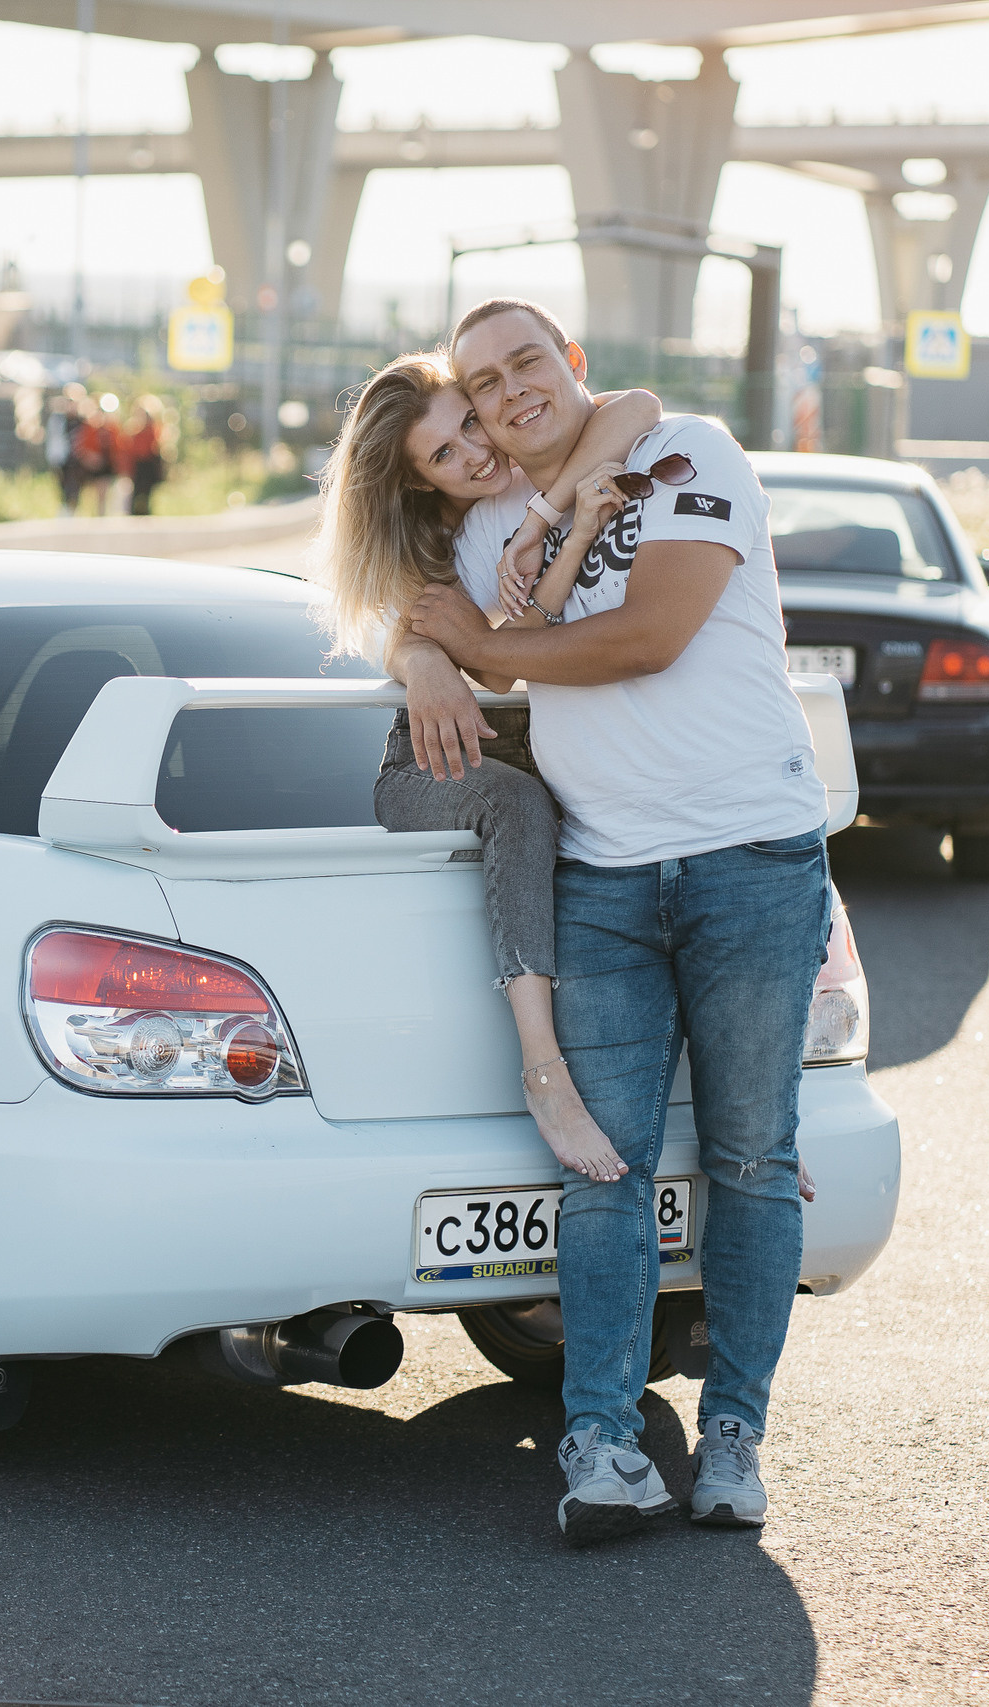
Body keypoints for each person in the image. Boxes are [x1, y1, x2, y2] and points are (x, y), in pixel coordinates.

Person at [395, 298, 832, 1548]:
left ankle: (735, 1433)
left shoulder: (687, 453)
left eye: (528, 360)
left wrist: (493, 645)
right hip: (602, 878)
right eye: (483, 382)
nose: (510, 390)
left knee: (752, 1157)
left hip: (751, 856)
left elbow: (651, 633)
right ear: (472, 412)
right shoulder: (488, 532)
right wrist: (432, 655)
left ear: (573, 364)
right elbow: (404, 596)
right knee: (599, 1164)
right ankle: (599, 1443)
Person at [311, 351, 660, 1183]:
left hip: (533, 748)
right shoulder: (447, 535)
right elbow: (413, 627)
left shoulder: (537, 471)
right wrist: (424, 659)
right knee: (519, 805)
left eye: (470, 421)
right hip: (435, 764)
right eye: (444, 455)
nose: (474, 452)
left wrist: (547, 516)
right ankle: (544, 1073)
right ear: (421, 482)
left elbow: (637, 401)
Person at [118, 395, 170, 516]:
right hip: (138, 465)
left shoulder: (154, 429)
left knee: (147, 492)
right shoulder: (132, 430)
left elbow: (156, 446)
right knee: (135, 492)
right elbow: (128, 449)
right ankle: (133, 513)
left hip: (149, 464)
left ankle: (146, 512)